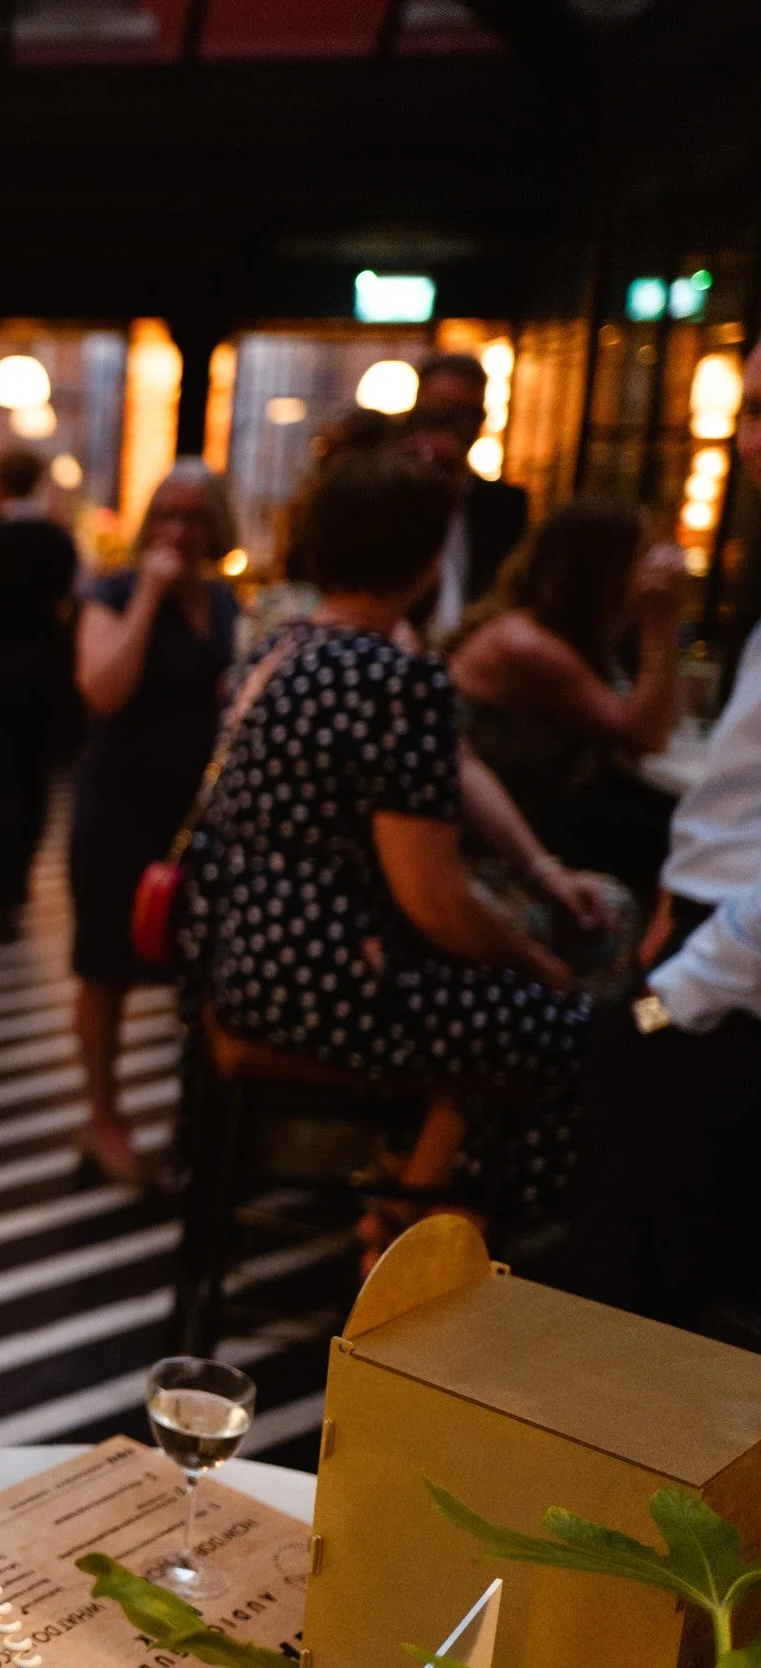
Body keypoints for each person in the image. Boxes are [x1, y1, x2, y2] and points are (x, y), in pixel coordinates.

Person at [177, 452, 590, 1211]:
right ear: (430, 563)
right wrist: (539, 965)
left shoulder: (278, 649)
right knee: (567, 1030)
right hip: (327, 986)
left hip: (237, 967)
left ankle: (405, 1201)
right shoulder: (397, 680)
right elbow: (434, 902)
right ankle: (443, 1252)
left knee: (487, 1031)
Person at [562, 346, 761, 1343]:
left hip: (718, 994)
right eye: (752, 411)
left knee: (640, 1306)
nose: (754, 439)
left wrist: (676, 993)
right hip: (697, 958)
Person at [68, 460, 239, 1187]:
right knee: (105, 964)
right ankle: (103, 1116)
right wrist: (148, 596)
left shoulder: (231, 605)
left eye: (195, 516)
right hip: (119, 805)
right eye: (166, 513)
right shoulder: (110, 595)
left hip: (199, 814)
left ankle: (196, 1120)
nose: (179, 529)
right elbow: (104, 689)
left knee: (198, 966)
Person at [448, 498, 688, 900]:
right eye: (642, 558)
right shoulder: (524, 644)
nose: (649, 575)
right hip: (496, 831)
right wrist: (661, 623)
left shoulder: (572, 636)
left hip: (540, 815)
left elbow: (666, 719)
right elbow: (646, 734)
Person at [0, 447, 80, 942]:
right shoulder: (63, 539)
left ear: (0, 480)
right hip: (48, 672)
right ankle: (19, 882)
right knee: (35, 781)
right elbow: (76, 598)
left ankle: (3, 895)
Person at [404, 353, 531, 642]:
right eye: (442, 412)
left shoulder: (505, 505)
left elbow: (512, 592)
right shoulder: (381, 497)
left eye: (468, 415)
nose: (455, 426)